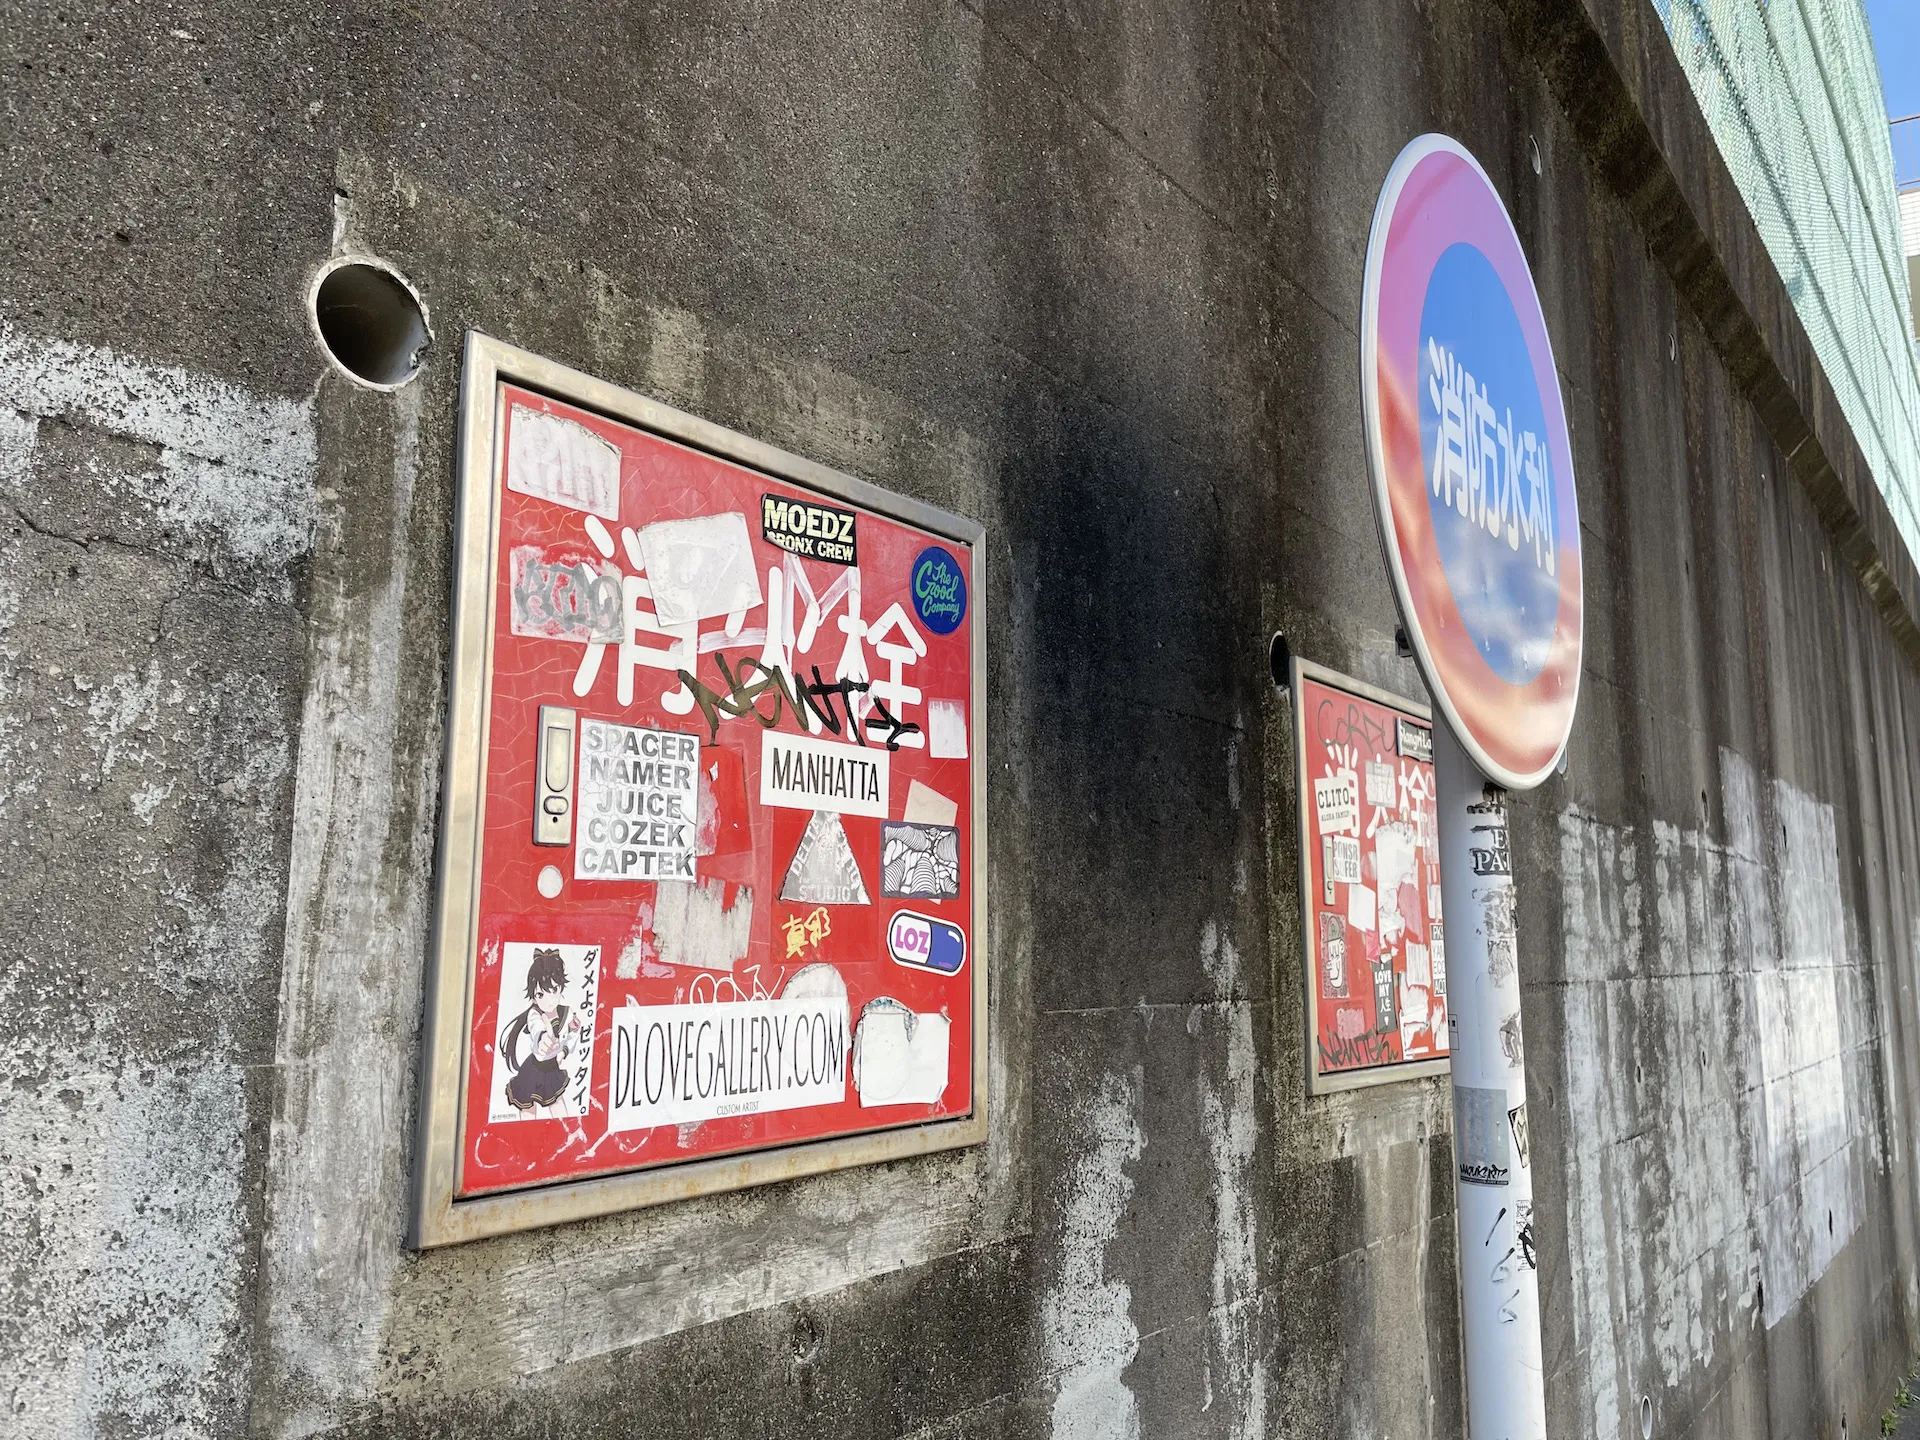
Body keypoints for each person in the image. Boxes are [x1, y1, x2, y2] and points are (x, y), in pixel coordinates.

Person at [499, 947, 579, 1115]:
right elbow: (538, 1030)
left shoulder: (567, 1012)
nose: (549, 1001)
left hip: (552, 1069)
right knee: (528, 1110)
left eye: (554, 991)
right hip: (533, 1068)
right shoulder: (535, 1014)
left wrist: (564, 1050)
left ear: (560, 989)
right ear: (534, 996)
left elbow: (572, 1036)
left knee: (559, 1108)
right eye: (541, 995)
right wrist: (543, 1039)